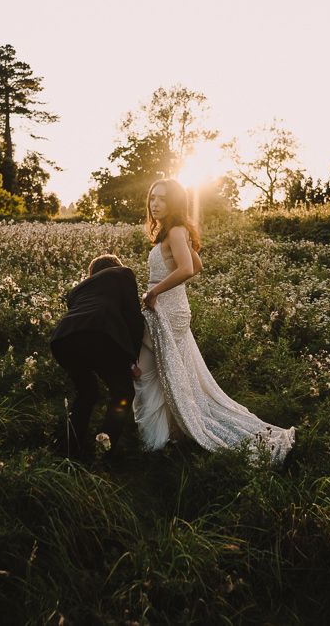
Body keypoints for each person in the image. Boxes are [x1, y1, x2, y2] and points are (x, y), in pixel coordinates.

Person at [132, 178, 296, 464]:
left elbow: (186, 269)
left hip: (166, 308)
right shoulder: (172, 232)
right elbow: (198, 265)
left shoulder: (176, 231)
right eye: (152, 198)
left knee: (147, 375)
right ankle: (163, 434)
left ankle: (153, 442)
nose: (154, 203)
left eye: (161, 198)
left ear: (174, 202)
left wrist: (154, 291)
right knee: (159, 373)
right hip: (170, 307)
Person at [50, 254, 144, 459]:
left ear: (92, 274)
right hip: (100, 335)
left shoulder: (78, 289)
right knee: (123, 392)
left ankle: (69, 451)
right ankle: (104, 453)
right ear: (115, 267)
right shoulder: (124, 274)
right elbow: (134, 318)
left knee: (87, 393)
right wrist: (132, 361)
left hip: (63, 339)